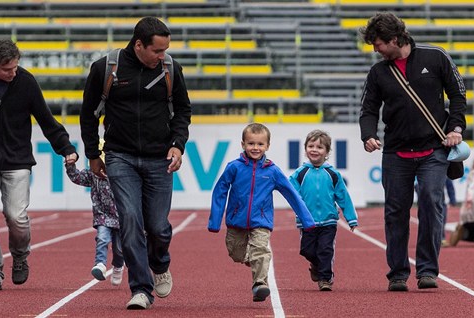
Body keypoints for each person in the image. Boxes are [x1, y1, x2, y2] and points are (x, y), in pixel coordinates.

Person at [0, 39, 78, 291]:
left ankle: (19, 256)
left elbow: (46, 119)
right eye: (8, 69)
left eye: (16, 67)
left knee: (16, 217)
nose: (13, 72)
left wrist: (66, 149)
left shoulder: (26, 81)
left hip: (17, 159)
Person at [80, 17, 191, 310]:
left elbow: (182, 111)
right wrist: (93, 153)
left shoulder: (170, 69)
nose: (162, 56)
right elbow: (89, 115)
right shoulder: (106, 68)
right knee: (129, 219)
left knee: (158, 227)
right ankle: (141, 288)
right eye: (157, 50)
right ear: (139, 45)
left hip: (159, 159)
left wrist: (178, 146)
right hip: (120, 157)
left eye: (165, 50)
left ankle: (160, 263)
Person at [359, 12, 467, 292]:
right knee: (395, 212)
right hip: (395, 153)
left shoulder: (436, 57)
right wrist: (368, 135)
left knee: (432, 204)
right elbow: (368, 109)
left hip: (433, 150)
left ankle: (428, 270)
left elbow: (458, 94)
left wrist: (455, 127)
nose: (375, 49)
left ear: (395, 39)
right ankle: (397, 273)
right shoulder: (379, 71)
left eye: (379, 44)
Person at [208, 123, 315, 302]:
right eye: (251, 143)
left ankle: (259, 284)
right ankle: (254, 261)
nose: (255, 148)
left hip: (261, 221)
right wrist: (215, 221)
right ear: (243, 144)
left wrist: (307, 219)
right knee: (236, 254)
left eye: (260, 144)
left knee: (261, 249)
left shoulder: (272, 171)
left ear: (267, 146)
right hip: (236, 221)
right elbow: (220, 191)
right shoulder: (234, 167)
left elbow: (291, 194)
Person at [288, 129, 358, 291]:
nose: (314, 150)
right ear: (305, 149)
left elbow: (343, 197)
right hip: (307, 221)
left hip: (329, 220)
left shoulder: (332, 174)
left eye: (319, 147)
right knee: (307, 250)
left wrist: (351, 218)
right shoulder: (300, 174)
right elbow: (292, 194)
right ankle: (316, 265)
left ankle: (325, 279)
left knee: (326, 250)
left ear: (327, 152)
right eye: (310, 146)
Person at [65, 140, 124, 285]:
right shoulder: (93, 174)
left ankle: (118, 266)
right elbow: (77, 177)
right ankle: (100, 264)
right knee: (102, 239)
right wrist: (70, 165)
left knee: (119, 249)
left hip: (121, 217)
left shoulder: (122, 175)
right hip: (102, 216)